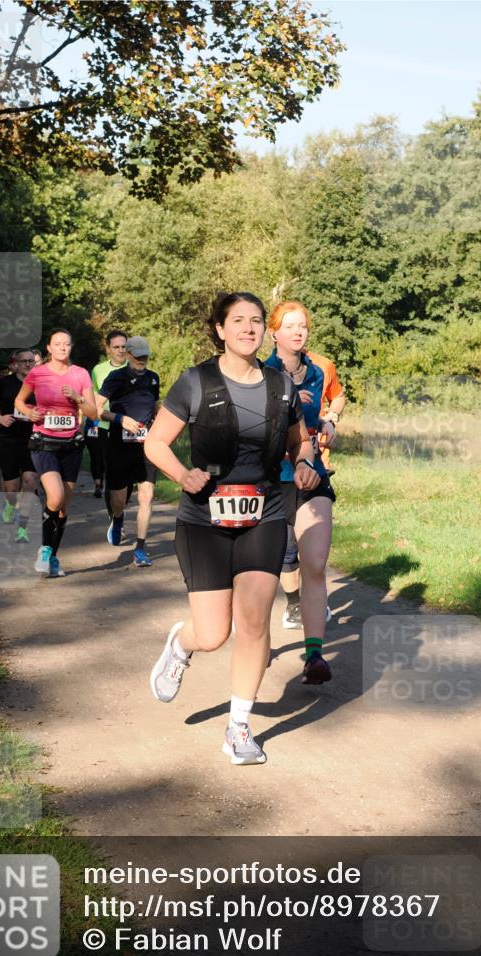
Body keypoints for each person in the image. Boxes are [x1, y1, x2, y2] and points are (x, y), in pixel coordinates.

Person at [144, 292, 319, 765]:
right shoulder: (194, 382)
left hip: (264, 512)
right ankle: (182, 646)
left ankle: (238, 727)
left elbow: (299, 440)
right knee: (213, 632)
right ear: (219, 329)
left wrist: (304, 464)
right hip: (204, 519)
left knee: (255, 621)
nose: (248, 328)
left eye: (256, 321)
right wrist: (183, 476)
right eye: (237, 321)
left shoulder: (280, 385)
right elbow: (156, 443)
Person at [265, 302, 337, 683]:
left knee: (314, 562)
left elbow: (313, 419)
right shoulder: (262, 372)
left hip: (310, 472)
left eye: (303, 326)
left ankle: (314, 657)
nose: (298, 332)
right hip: (268, 478)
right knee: (261, 570)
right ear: (274, 333)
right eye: (290, 326)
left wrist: (326, 422)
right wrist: (285, 402)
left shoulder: (317, 370)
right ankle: (257, 645)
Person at [15, 328, 97, 577]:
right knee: (54, 496)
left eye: (67, 344)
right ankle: (44, 549)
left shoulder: (80, 374)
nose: (62, 347)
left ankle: (52, 555)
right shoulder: (37, 373)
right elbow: (19, 401)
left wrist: (77, 399)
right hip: (44, 443)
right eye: (57, 344)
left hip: (70, 445)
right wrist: (29, 413)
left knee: (63, 508)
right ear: (49, 348)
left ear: (71, 347)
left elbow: (93, 413)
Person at [96, 335, 160, 567]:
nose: (142, 360)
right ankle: (118, 518)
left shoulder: (153, 378)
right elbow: (96, 408)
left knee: (147, 496)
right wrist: (120, 419)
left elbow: (154, 406)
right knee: (119, 499)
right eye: (138, 355)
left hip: (145, 445)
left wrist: (160, 417)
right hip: (118, 445)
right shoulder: (116, 377)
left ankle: (140, 549)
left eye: (145, 356)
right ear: (129, 355)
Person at [0, 349, 38, 542]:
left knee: (30, 480)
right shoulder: (4, 383)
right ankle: (9, 505)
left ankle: (22, 527)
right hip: (8, 440)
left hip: (33, 440)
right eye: (23, 361)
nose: (27, 364)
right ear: (15, 364)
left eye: (30, 361)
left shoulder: (40, 383)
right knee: (11, 487)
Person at [90, 331, 128, 508]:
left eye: (123, 347)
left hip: (131, 427)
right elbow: (95, 398)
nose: (120, 350)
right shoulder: (99, 370)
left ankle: (120, 507)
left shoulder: (135, 367)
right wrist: (95, 421)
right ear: (108, 349)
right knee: (111, 469)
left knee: (128, 472)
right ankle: (114, 515)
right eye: (116, 347)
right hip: (107, 425)